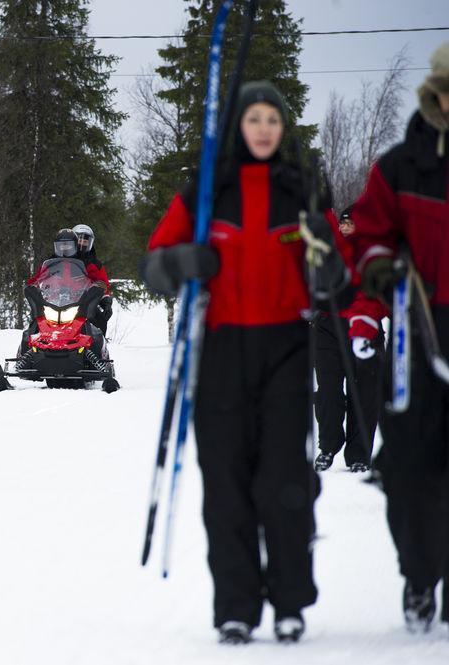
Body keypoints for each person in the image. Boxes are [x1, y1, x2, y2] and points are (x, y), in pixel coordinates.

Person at [141, 81, 353, 644]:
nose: (263, 128)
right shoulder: (209, 190)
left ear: (283, 130)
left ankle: (289, 600)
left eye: (273, 120)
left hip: (286, 347)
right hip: (221, 353)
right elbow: (154, 267)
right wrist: (185, 259)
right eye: (254, 118)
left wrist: (326, 258)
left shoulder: (301, 190)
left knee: (284, 481)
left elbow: (337, 279)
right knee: (228, 483)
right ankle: (235, 605)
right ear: (239, 126)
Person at [349, 42, 449, 634]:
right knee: (411, 468)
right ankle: (419, 574)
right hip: (420, 327)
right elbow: (368, 234)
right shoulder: (400, 166)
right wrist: (379, 268)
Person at [313, 209, 388, 473]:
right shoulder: (330, 250)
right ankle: (327, 446)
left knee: (365, 394)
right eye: (343, 222)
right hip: (328, 327)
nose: (346, 227)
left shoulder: (375, 255)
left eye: (352, 223)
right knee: (329, 390)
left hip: (366, 328)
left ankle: (359, 454)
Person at [71, 224, 113, 335]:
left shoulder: (95, 264)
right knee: (40, 320)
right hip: (62, 301)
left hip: (86, 303)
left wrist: (106, 303)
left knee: (100, 322)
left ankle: (97, 349)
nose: (81, 244)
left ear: (90, 243)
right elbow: (49, 276)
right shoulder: (62, 260)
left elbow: (103, 284)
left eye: (85, 241)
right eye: (79, 240)